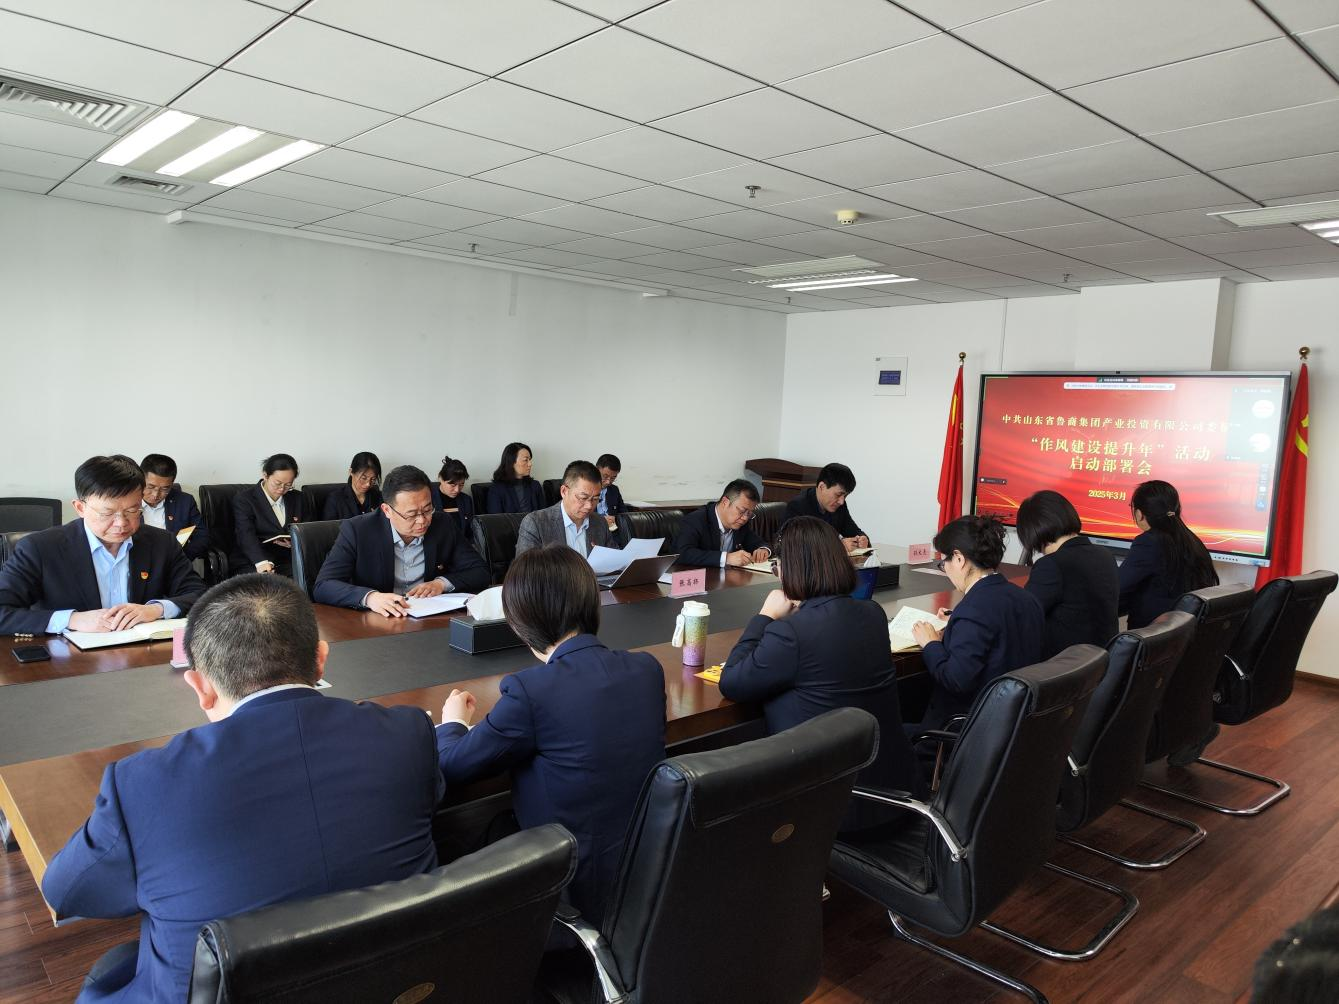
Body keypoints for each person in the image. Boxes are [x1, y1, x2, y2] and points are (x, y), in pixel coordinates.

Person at [41, 573, 443, 1004]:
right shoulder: (407, 732)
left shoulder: (142, 783)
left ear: (200, 686)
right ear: (321, 660)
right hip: (400, 983)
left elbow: (66, 892)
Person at [435, 546, 665, 923]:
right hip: (645, 873)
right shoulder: (646, 669)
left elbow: (454, 766)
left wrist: (452, 724)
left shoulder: (530, 691)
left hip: (570, 886)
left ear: (520, 622)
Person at [720, 517, 924, 820]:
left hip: (830, 809)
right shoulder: (872, 613)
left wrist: (765, 616)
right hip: (898, 797)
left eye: (778, 567)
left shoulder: (792, 633)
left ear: (790, 569)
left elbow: (732, 682)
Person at [0, 455, 205, 636]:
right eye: (107, 513)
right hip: (68, 660)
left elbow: (200, 595)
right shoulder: (39, 548)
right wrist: (72, 620)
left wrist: (156, 609)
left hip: (143, 656)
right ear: (80, 508)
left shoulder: (162, 542)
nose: (121, 523)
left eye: (132, 511)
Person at [909, 515, 1043, 730]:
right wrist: (959, 625)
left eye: (944, 563)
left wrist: (931, 643)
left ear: (959, 559)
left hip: (965, 730)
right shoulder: (1027, 599)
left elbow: (955, 680)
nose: (946, 569)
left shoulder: (973, 610)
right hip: (1013, 725)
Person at [314, 465, 490, 616]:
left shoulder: (442, 524)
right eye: (411, 514)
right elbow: (324, 586)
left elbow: (480, 571)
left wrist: (440, 584)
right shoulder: (358, 531)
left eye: (427, 509)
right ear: (387, 510)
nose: (422, 521)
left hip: (429, 619)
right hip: (376, 624)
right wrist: (371, 598)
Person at [1016, 490, 1119, 659]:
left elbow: (1022, 616)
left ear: (1034, 532)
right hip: (1099, 661)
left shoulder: (1052, 565)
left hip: (1062, 666)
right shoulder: (1105, 555)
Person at [1119, 479, 1218, 630]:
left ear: (1139, 514)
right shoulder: (1192, 540)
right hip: (1182, 631)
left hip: (1153, 633)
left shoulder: (1148, 542)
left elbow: (1118, 586)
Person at [514, 460, 625, 557]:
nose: (589, 506)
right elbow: (526, 570)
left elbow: (614, 562)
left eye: (595, 499)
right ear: (564, 491)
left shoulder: (600, 523)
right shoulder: (536, 523)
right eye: (583, 498)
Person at [231, 454, 306, 577]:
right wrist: (261, 562)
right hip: (253, 559)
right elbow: (245, 534)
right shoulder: (245, 499)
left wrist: (295, 542)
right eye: (277, 483)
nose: (282, 489)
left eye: (288, 485)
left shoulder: (298, 498)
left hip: (288, 559)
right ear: (265, 475)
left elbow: (307, 528)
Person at [672, 479, 772, 568]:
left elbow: (758, 542)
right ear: (725, 502)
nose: (745, 518)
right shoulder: (696, 520)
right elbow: (682, 554)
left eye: (749, 513)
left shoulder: (741, 523)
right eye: (742, 511)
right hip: (702, 579)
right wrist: (726, 558)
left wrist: (763, 550)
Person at [782, 462, 870, 552]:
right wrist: (838, 546)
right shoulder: (798, 506)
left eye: (845, 496)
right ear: (822, 487)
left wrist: (862, 539)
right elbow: (791, 545)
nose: (841, 501)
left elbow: (853, 530)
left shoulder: (840, 506)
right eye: (838, 495)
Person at [138, 453, 210, 561]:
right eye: (151, 487)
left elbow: (202, 537)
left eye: (165, 489)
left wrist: (181, 559)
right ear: (140, 479)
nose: (156, 494)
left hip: (175, 563)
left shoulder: (185, 502)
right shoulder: (126, 502)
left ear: (172, 484)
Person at [486, 441, 545, 514]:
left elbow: (543, 515)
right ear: (511, 462)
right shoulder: (497, 489)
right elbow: (495, 519)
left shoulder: (535, 485)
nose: (530, 464)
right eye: (525, 460)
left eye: (530, 460)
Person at [322, 451, 383, 520]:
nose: (368, 484)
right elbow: (328, 526)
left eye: (373, 479)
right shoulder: (335, 499)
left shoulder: (379, 497)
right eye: (363, 478)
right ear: (351, 472)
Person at [431, 455, 474, 538]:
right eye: (453, 485)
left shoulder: (466, 500)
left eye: (461, 485)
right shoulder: (429, 499)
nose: (457, 490)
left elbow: (470, 531)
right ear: (440, 478)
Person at [595, 453, 629, 532]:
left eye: (613, 478)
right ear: (596, 470)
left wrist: (615, 519)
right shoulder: (586, 489)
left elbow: (624, 513)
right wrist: (601, 520)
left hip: (612, 530)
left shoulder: (614, 490)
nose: (608, 481)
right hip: (594, 529)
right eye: (605, 476)